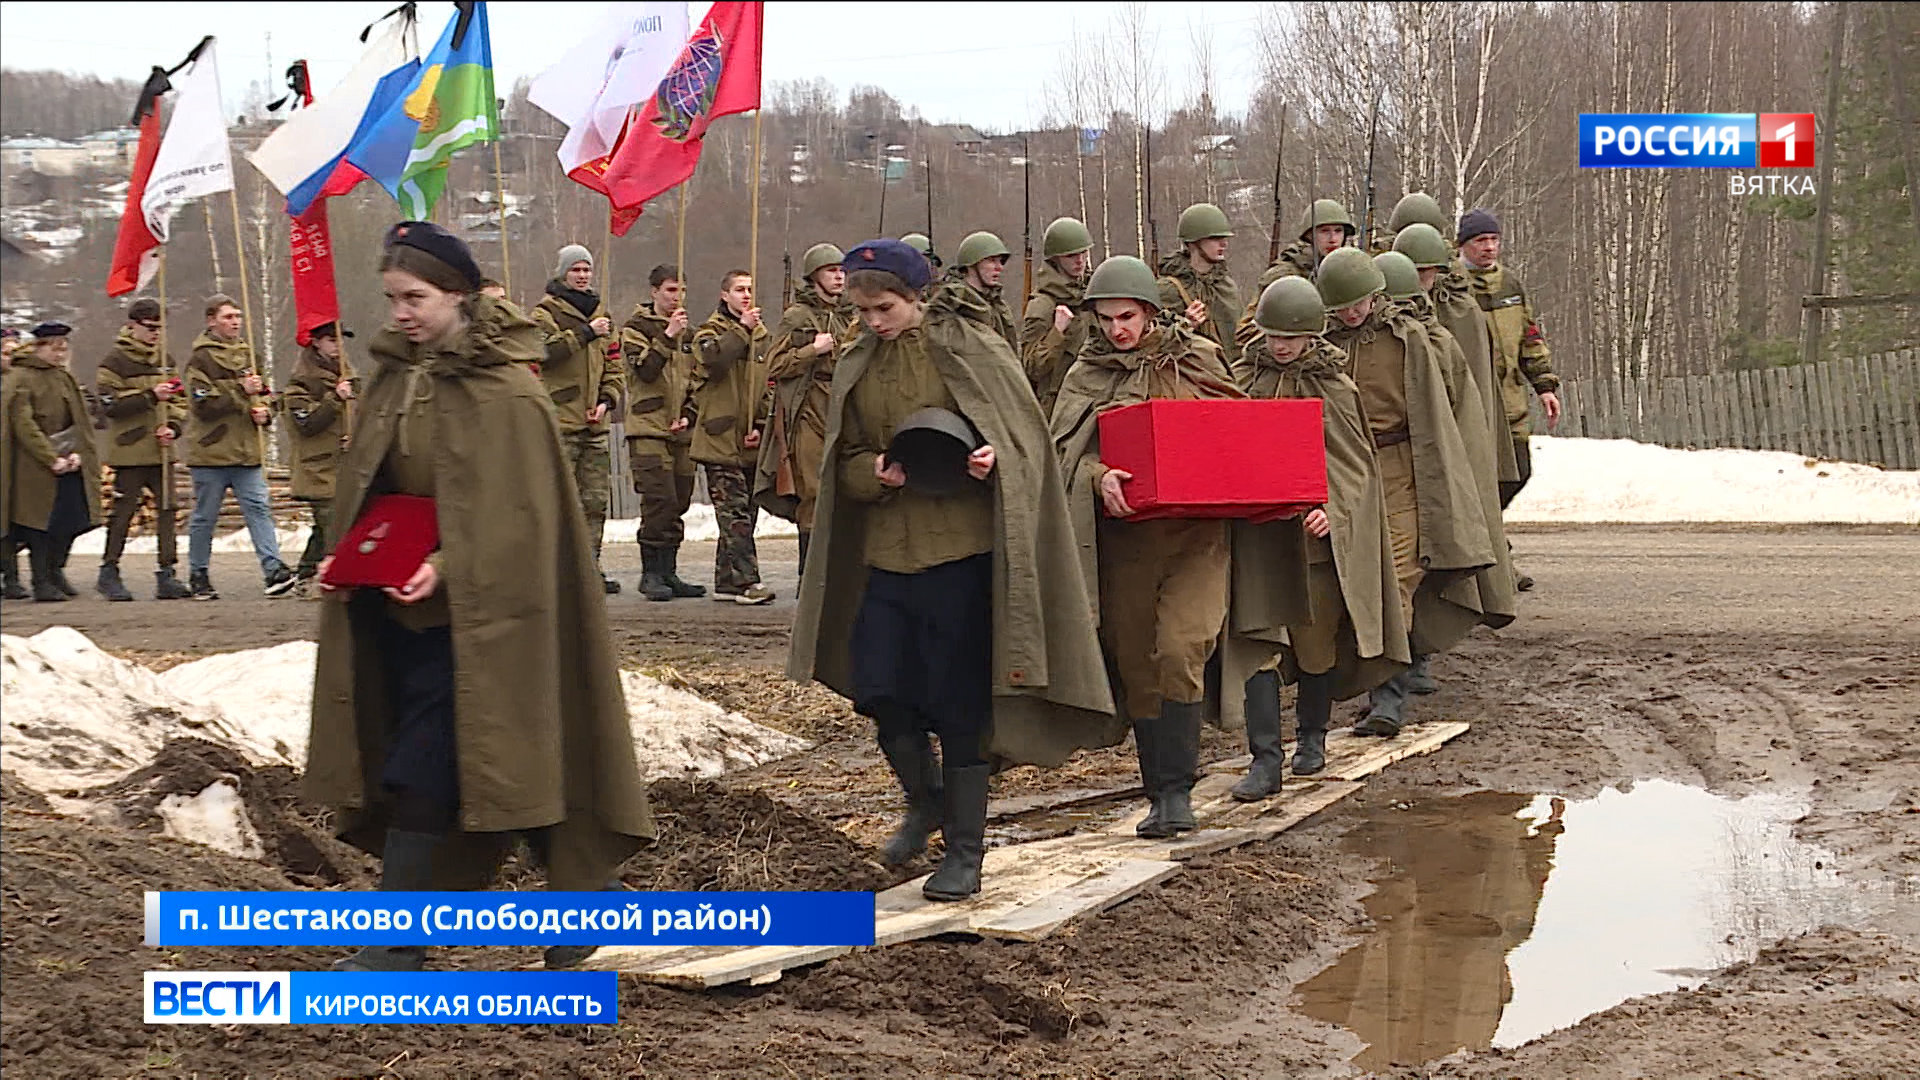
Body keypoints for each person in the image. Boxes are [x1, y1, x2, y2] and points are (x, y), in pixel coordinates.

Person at [306, 221, 652, 973]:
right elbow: (377, 486)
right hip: (403, 617)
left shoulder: (508, 391)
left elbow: (524, 516)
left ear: (458, 295)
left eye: (415, 298)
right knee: (499, 769)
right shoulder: (395, 380)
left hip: (494, 624)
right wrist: (350, 555)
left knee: (432, 771)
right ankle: (590, 898)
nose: (401, 313)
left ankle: (395, 947)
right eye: (392, 299)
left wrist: (450, 563)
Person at [789, 238, 1119, 900]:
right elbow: (843, 457)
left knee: (959, 705)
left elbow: (1022, 440)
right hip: (888, 552)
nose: (873, 322)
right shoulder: (859, 359)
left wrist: (991, 461)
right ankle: (926, 801)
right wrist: (873, 472)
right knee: (881, 692)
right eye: (862, 312)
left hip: (963, 556)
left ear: (916, 297)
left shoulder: (972, 347)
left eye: (884, 309)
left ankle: (965, 851)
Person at [1054, 255, 1244, 839]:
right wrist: (1098, 478)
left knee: (1182, 648)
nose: (1117, 330)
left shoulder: (1197, 359)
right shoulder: (1086, 374)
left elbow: (1239, 430)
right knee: (1137, 663)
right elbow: (1063, 452)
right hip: (1126, 542)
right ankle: (1158, 793)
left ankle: (1180, 791)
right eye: (1106, 319)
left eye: (1128, 317)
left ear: (1151, 313)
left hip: (1197, 538)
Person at [1221, 278, 1409, 795]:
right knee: (1258, 646)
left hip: (1313, 544)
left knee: (1315, 648)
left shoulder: (1336, 387)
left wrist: (1334, 509)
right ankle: (1264, 759)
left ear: (1311, 333)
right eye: (1272, 335)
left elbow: (1356, 467)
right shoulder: (1242, 381)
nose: (1280, 345)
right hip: (1258, 539)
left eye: (1291, 336)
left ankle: (1312, 737)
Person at [1317, 248, 1494, 737]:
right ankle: (1362, 679)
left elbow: (1440, 409)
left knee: (1394, 580)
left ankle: (1387, 698)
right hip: (1342, 468)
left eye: (1359, 303)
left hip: (1400, 467)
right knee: (1344, 581)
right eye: (1341, 306)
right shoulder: (1322, 344)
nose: (1351, 313)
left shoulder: (1409, 339)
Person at [1459, 208, 1558, 590]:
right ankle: (1495, 560)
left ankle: (1490, 541)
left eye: (1493, 240)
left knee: (1517, 472)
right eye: (1480, 241)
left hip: (1511, 402)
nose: (1489, 247)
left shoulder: (1510, 285)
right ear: (1463, 245)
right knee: (1479, 483)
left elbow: (1529, 337)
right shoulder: (1454, 287)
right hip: (1474, 406)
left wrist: (1544, 385)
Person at [184, 295, 295, 599]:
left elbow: (267, 394)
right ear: (211, 321)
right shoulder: (200, 359)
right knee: (206, 516)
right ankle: (198, 573)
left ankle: (273, 569)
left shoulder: (251, 356)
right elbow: (202, 403)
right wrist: (238, 390)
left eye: (238, 316)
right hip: (212, 452)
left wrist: (266, 412)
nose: (235, 322)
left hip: (247, 451)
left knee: (259, 508)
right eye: (228, 317)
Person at [531, 244, 625, 594]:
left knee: (594, 503)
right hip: (561, 422)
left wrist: (607, 400)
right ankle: (556, 573)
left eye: (586, 269)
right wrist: (585, 333)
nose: (582, 275)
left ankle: (589, 570)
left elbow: (614, 365)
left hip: (594, 424)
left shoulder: (603, 315)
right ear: (563, 273)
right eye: (576, 270)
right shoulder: (545, 313)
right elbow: (543, 352)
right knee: (559, 504)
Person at [756, 243, 852, 575]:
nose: (839, 277)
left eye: (841, 270)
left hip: (842, 408)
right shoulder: (798, 317)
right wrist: (813, 350)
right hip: (809, 410)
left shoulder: (850, 315)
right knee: (813, 493)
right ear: (814, 276)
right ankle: (808, 577)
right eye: (831, 271)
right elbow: (775, 364)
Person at [93, 297, 190, 601]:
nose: (155, 333)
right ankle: (109, 571)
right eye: (150, 327)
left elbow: (180, 400)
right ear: (132, 325)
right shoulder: (114, 362)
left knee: (167, 510)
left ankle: (167, 572)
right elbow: (109, 406)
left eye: (160, 328)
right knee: (123, 512)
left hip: (161, 450)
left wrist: (173, 426)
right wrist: (149, 396)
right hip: (130, 450)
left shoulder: (166, 359)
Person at [621, 264, 706, 601]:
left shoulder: (690, 334)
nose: (677, 297)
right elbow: (644, 371)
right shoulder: (636, 329)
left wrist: (688, 414)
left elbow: (698, 381)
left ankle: (669, 569)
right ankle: (650, 572)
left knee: (679, 501)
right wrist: (667, 336)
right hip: (648, 427)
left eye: (681, 290)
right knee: (659, 499)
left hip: (679, 430)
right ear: (654, 291)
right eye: (671, 290)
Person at [690, 269, 775, 604]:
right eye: (739, 289)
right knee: (734, 513)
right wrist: (742, 329)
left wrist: (761, 425)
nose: (746, 295)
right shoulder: (708, 332)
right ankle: (747, 582)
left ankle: (726, 580)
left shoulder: (762, 336)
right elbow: (713, 361)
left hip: (749, 439)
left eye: (750, 289)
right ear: (724, 295)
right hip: (719, 438)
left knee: (746, 513)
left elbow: (766, 384)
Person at [2, 322, 102, 602]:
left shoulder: (63, 377)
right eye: (55, 349)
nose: (60, 354)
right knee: (39, 524)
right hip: (33, 464)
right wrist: (50, 457)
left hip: (68, 458)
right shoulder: (21, 377)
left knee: (72, 518)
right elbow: (23, 423)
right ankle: (40, 581)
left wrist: (78, 451)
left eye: (64, 349)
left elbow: (78, 419)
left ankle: (55, 570)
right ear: (40, 347)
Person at [279, 322, 355, 596]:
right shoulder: (301, 383)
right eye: (331, 340)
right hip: (317, 467)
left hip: (345, 464)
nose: (338, 346)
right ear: (316, 342)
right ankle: (334, 578)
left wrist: (355, 436)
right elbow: (306, 423)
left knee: (328, 527)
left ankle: (307, 572)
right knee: (332, 524)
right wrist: (335, 399)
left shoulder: (349, 378)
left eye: (341, 339)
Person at [1020, 216, 1095, 417]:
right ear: (1056, 259)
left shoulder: (1091, 294)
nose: (1080, 260)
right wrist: (1057, 332)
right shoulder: (1042, 305)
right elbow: (1031, 367)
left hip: (1091, 397)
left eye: (1083, 253)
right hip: (1057, 407)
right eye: (1071, 255)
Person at [1156, 202, 1243, 365]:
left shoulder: (1227, 286)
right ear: (1193, 242)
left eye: (1224, 238)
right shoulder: (1168, 290)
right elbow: (1153, 343)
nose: (1224, 244)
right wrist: (1184, 324)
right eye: (1215, 238)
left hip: (1228, 373)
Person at [928, 231, 1018, 349]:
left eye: (1000, 261)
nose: (999, 267)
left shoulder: (997, 305)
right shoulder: (952, 304)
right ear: (972, 263)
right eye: (992, 260)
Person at [1259, 198, 1357, 289]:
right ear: (1308, 236)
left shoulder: (1351, 269)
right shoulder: (1286, 275)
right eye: (1324, 231)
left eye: (1338, 231)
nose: (1333, 239)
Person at [0, 328, 25, 600]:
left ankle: (11, 577)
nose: (11, 359)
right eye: (7, 353)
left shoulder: (21, 382)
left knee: (11, 521)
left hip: (17, 459)